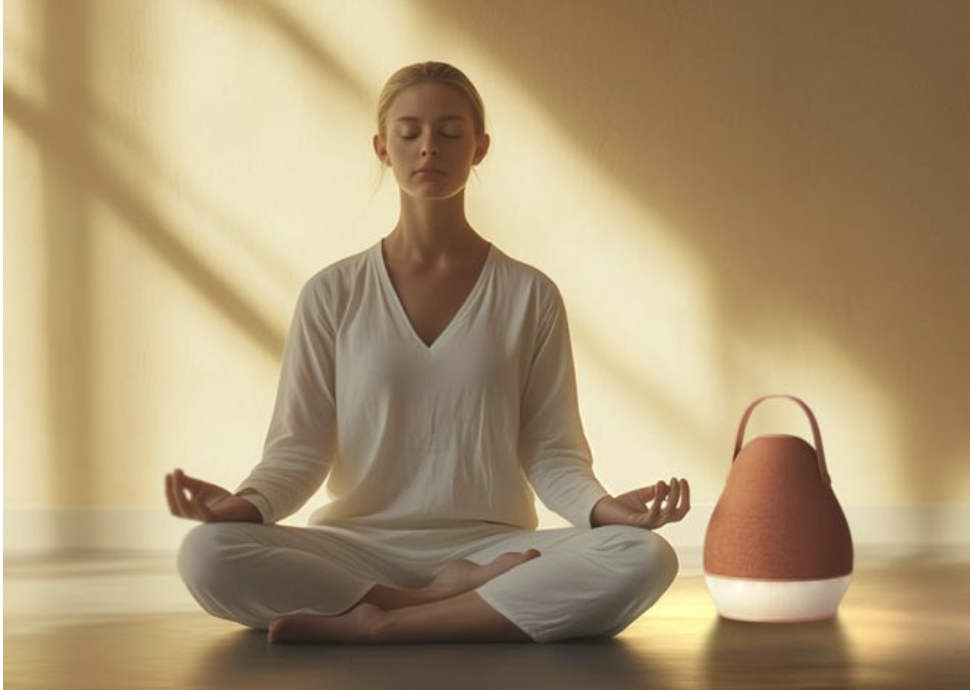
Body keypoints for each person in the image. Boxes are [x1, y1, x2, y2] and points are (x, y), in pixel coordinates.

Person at [168, 61, 691, 645]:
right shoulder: (332, 293)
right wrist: (243, 506)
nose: (428, 147)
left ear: (480, 147)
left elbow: (552, 454)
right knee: (207, 553)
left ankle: (383, 625)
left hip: (496, 548)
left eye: (449, 132)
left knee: (643, 555)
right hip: (356, 547)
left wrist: (606, 511)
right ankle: (432, 602)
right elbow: (299, 451)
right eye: (409, 131)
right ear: (382, 148)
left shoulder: (529, 295)